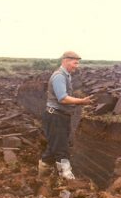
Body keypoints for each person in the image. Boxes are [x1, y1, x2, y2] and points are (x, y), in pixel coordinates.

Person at [38, 51, 91, 179]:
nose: (76, 66)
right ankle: (67, 177)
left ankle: (42, 175)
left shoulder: (66, 75)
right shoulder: (59, 76)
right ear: (66, 61)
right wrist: (81, 101)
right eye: (75, 62)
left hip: (60, 116)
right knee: (62, 148)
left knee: (54, 147)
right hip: (55, 117)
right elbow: (62, 98)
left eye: (77, 63)